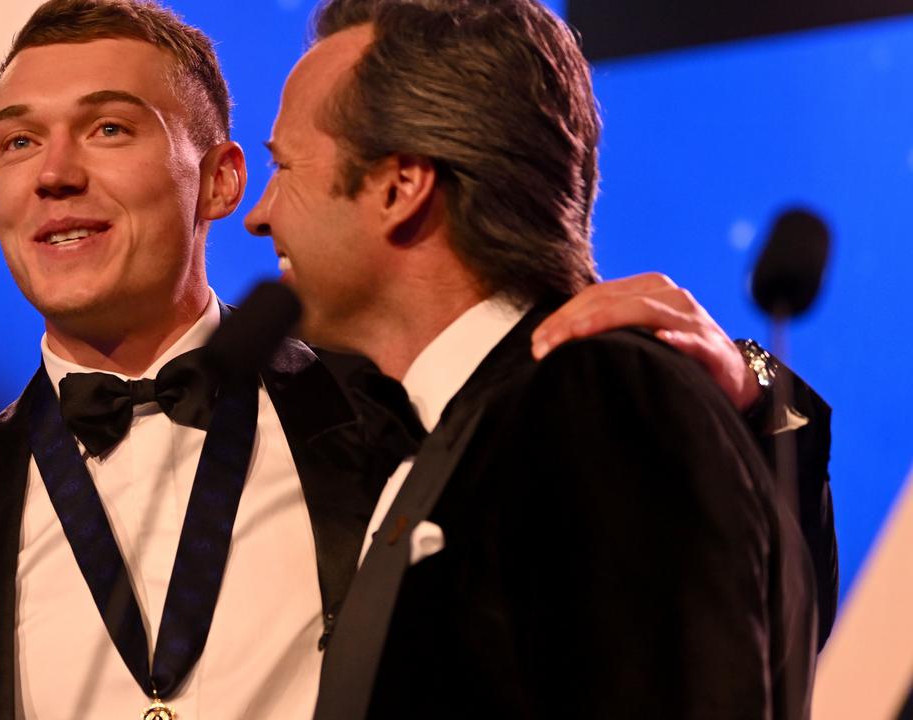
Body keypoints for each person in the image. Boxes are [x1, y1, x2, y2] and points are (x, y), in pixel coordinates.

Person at [0, 1, 833, 719]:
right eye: (16, 143)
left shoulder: (408, 405)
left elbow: (705, 612)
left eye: (108, 128)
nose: (54, 174)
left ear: (222, 180)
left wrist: (748, 378)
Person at [240, 0, 826, 717]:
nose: (259, 214)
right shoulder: (485, 417)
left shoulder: (594, 399)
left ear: (400, 186)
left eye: (284, 167)